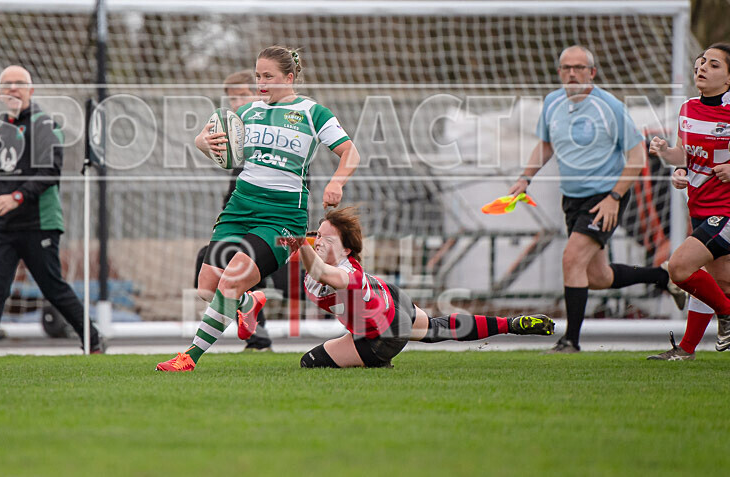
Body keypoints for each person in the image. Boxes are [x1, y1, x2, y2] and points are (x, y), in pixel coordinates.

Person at [157, 46, 360, 371]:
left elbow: (351, 152)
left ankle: (189, 358)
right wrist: (202, 144)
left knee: (230, 282)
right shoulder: (248, 112)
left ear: (289, 77)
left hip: (280, 217)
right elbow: (218, 150)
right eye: (257, 76)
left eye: (268, 76)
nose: (261, 83)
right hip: (239, 209)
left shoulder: (313, 113)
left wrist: (337, 182)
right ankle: (250, 303)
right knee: (207, 288)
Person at [508, 45, 686, 353]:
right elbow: (546, 145)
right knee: (598, 276)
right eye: (566, 68)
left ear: (592, 72)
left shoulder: (611, 106)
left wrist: (614, 197)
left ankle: (570, 341)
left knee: (571, 259)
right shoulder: (552, 103)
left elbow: (636, 156)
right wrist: (525, 177)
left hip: (605, 198)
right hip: (572, 200)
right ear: (559, 72)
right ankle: (664, 275)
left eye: (579, 67)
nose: (572, 73)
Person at [283, 207, 555, 368]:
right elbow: (307, 251)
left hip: (384, 334)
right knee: (439, 328)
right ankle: (512, 324)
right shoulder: (333, 257)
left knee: (309, 362)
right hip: (391, 300)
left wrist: (300, 245)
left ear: (346, 248)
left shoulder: (344, 272)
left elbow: (321, 273)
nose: (316, 241)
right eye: (316, 235)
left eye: (324, 238)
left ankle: (377, 362)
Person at [0, 65, 103, 355]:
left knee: (53, 288)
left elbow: (50, 173)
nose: (13, 88)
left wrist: (17, 197)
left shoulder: (45, 125)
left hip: (39, 223)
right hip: (6, 226)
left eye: (19, 83)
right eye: (7, 84)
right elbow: (4, 179)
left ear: (31, 90)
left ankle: (93, 340)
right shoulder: (0, 130)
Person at [647, 43, 730, 360]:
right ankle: (687, 350)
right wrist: (670, 159)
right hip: (699, 208)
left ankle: (726, 315)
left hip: (725, 211)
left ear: (728, 78)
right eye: (701, 62)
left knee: (680, 267)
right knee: (717, 282)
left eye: (714, 64)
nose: (703, 67)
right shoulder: (688, 109)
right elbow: (685, 157)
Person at [192, 70, 279, 351]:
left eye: (243, 94)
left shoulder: (274, 130)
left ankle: (257, 335)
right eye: (232, 97)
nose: (236, 101)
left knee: (236, 263)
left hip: (277, 227)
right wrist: (202, 144)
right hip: (244, 225)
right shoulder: (236, 135)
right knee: (206, 274)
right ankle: (255, 325)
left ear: (258, 94)